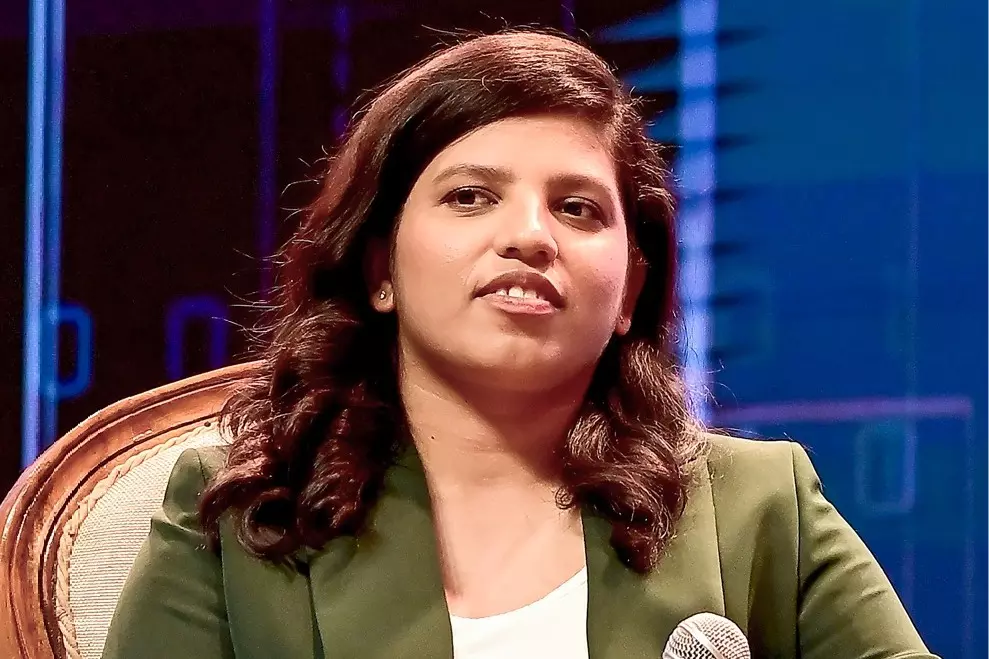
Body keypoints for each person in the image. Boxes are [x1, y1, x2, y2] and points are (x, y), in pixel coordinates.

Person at [102, 30, 936, 659]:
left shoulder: (758, 506)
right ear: (380, 268)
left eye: (577, 208)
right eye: (470, 197)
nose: (530, 236)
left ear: (629, 294)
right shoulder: (245, 516)